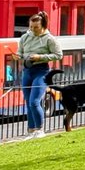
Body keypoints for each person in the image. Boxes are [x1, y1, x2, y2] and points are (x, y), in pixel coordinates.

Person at [18, 12, 61, 140]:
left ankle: (40, 129)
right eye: (31, 27)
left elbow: (58, 55)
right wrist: (18, 56)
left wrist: (40, 57)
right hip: (27, 70)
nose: (32, 30)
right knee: (28, 101)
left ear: (43, 26)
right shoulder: (25, 37)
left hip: (41, 71)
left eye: (36, 27)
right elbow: (20, 52)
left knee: (34, 101)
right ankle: (31, 131)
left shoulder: (50, 39)